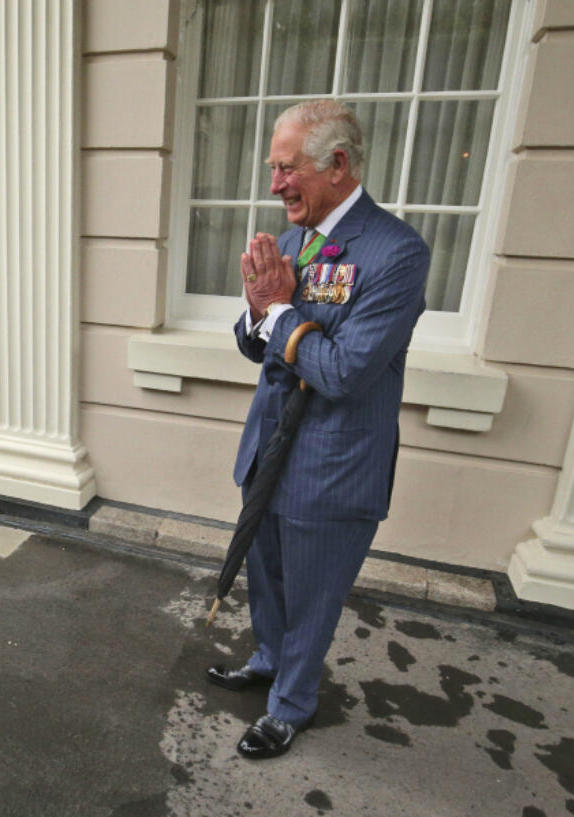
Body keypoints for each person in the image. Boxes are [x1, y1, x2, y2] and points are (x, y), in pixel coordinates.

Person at [207, 100, 429, 759]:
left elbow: (345, 371)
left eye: (286, 168)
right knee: (268, 576)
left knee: (311, 595)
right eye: (272, 167)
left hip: (333, 465)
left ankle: (291, 705)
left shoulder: (396, 252)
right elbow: (263, 345)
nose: (275, 184)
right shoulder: (299, 237)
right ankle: (270, 659)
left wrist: (277, 311)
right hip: (270, 451)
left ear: (337, 165)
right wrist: (256, 316)